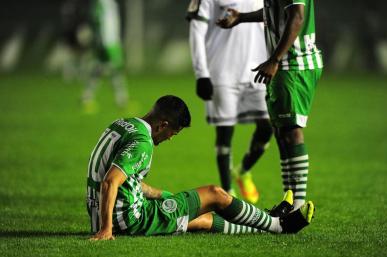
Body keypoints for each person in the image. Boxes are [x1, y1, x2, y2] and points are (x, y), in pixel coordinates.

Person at [86, 95, 315, 240]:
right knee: (215, 194)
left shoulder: (123, 124)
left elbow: (128, 179)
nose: (170, 138)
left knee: (200, 219)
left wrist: (162, 195)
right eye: (172, 133)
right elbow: (110, 181)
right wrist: (106, 230)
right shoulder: (143, 143)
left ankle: (265, 219)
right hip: (129, 220)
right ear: (162, 125)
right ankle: (279, 225)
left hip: (104, 214)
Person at [217, 0, 323, 210]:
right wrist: (241, 18)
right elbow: (273, 12)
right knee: (281, 133)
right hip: (283, 64)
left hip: (295, 63)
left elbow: (297, 16)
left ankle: (297, 206)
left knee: (292, 132)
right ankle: (289, 201)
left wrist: (274, 60)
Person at [186, 0, 273, 204]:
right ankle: (228, 192)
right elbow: (196, 30)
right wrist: (202, 74)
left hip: (258, 68)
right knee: (225, 133)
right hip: (222, 70)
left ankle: (243, 171)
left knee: (268, 127)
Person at [81, 0, 129, 113]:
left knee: (100, 69)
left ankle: (86, 97)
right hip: (108, 43)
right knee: (115, 69)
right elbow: (98, 22)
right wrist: (103, 43)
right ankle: (122, 101)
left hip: (112, 42)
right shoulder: (102, 3)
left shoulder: (110, 3)